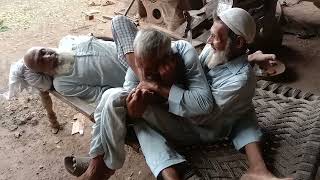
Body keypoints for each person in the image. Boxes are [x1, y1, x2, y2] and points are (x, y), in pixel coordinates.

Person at [73, 9, 292, 180]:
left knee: (121, 107)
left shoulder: (240, 81)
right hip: (192, 106)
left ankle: (101, 165)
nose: (207, 41)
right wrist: (251, 58)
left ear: (239, 43)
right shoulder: (215, 51)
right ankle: (99, 161)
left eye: (215, 37)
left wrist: (162, 89)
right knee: (114, 99)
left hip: (199, 129)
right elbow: (218, 69)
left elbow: (203, 113)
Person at [4, 35, 126, 104]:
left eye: (43, 51)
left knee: (118, 21)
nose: (48, 56)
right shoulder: (62, 84)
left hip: (132, 49)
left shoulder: (67, 41)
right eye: (41, 61)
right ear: (41, 72)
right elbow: (101, 95)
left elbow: (99, 39)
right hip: (135, 75)